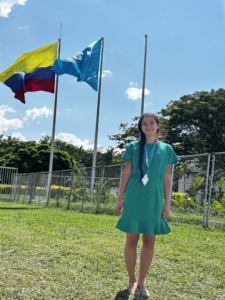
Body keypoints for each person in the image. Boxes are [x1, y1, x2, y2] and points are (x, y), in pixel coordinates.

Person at [115, 112, 179, 297]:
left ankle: (141, 283)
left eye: (152, 123)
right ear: (141, 127)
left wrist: (167, 202)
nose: (148, 126)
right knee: (131, 240)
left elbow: (167, 177)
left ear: (158, 126)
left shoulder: (167, 149)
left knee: (149, 241)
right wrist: (120, 197)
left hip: (155, 199)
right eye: (145, 123)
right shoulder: (133, 147)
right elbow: (127, 173)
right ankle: (131, 281)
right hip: (135, 197)